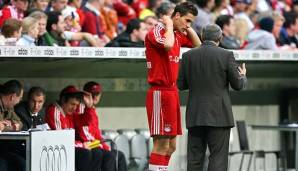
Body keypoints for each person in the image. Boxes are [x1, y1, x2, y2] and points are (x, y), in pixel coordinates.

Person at [177, 24, 247, 171]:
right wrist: (243, 76)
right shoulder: (226, 55)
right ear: (220, 38)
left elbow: (181, 85)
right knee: (218, 158)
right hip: (219, 116)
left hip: (195, 115)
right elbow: (238, 85)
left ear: (202, 37)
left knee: (194, 158)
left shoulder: (187, 56)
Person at [144, 2, 201, 170]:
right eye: (187, 20)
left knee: (171, 146)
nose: (188, 25)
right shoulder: (156, 32)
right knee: (161, 143)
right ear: (176, 16)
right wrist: (169, 24)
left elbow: (198, 46)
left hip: (172, 92)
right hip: (159, 93)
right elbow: (167, 45)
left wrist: (187, 28)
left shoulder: (176, 34)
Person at [45, 85, 114, 171]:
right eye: (72, 104)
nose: (74, 108)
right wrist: (82, 145)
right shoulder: (54, 111)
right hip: (58, 149)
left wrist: (89, 107)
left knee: (106, 154)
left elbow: (84, 123)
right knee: (87, 153)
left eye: (76, 105)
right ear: (63, 100)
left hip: (72, 145)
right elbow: (61, 140)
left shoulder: (70, 112)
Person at [74, 81, 127, 171]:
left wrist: (105, 146)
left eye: (97, 94)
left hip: (94, 144)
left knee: (120, 155)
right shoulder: (81, 108)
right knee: (108, 155)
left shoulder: (92, 109)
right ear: (86, 95)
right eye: (92, 94)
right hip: (87, 145)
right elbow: (84, 134)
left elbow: (96, 133)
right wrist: (100, 146)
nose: (95, 96)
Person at [0, 79, 25, 171]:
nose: (19, 101)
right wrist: (10, 125)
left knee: (22, 163)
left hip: (3, 149)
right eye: (20, 98)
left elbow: (19, 123)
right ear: (13, 97)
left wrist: (9, 126)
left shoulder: (9, 107)